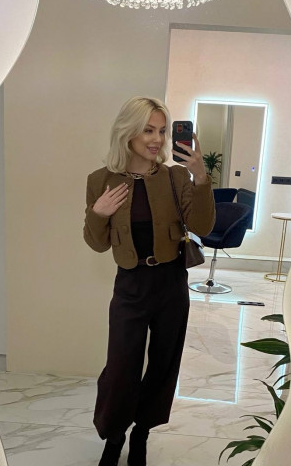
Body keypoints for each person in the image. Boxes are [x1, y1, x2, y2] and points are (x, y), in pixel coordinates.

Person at [83, 97, 215, 466]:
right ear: (127, 132)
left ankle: (141, 433)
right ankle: (114, 437)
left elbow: (202, 226)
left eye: (162, 130)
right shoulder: (100, 180)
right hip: (130, 283)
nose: (157, 139)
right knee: (120, 368)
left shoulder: (175, 177)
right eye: (148, 130)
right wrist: (98, 213)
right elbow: (96, 243)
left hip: (171, 282)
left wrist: (201, 177)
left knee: (163, 364)